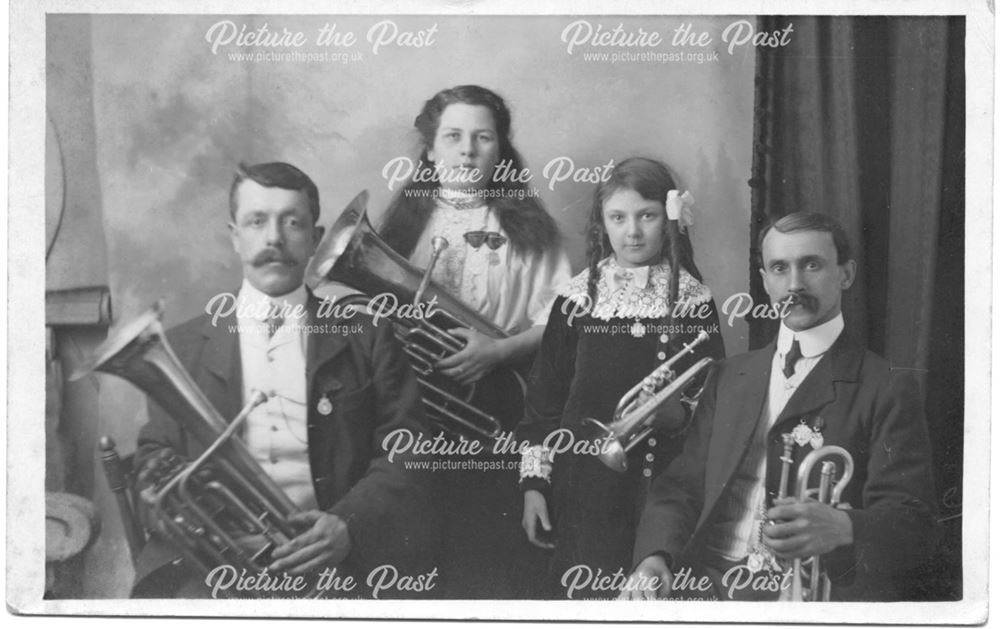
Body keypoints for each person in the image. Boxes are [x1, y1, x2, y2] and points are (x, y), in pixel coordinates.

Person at [132, 162, 435, 598]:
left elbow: (407, 447)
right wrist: (184, 512)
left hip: (339, 563)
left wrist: (348, 525)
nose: (274, 238)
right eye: (257, 222)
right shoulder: (179, 349)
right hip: (212, 566)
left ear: (316, 237)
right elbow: (154, 456)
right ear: (235, 235)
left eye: (292, 223)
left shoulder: (367, 336)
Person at [623, 212, 938, 602]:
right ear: (765, 281)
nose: (794, 284)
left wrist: (845, 526)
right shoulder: (727, 375)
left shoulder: (886, 385)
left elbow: (914, 523)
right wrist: (654, 557)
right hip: (705, 584)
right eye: (779, 268)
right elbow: (680, 487)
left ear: (846, 274)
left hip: (802, 597)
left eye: (811, 264)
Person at [377, 85, 572, 598]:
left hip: (496, 410)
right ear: (431, 149)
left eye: (482, 138)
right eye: (454, 136)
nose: (467, 150)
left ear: (500, 150)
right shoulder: (401, 226)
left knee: (483, 556)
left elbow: (559, 321)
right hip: (407, 409)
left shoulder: (529, 229)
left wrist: (498, 350)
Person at [515, 157, 726, 599]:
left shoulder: (693, 300)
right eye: (618, 218)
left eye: (647, 216)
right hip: (580, 486)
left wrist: (675, 415)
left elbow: (713, 404)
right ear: (602, 225)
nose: (632, 231)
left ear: (668, 221)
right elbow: (543, 402)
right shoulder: (575, 299)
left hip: (659, 486)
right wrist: (535, 486)